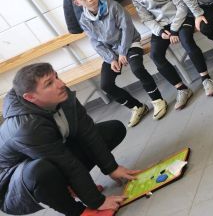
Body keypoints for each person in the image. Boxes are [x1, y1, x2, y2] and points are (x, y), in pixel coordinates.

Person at [0, 63, 139, 216]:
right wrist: (98, 201)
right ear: (30, 97)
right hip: (13, 187)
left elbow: (88, 133)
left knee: (112, 130)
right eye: (49, 83)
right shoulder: (26, 127)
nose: (61, 84)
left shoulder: (61, 94)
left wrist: (112, 168)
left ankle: (71, 187)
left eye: (56, 76)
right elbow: (67, 164)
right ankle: (77, 212)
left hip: (50, 158)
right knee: (41, 171)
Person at [124, 0, 213, 102]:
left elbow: (182, 6)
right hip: (161, 27)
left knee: (186, 40)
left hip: (181, 19)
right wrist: (160, 31)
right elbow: (146, 18)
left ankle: (206, 79)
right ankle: (182, 89)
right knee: (155, 55)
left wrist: (174, 29)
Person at [70, 0, 163, 128]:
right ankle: (137, 107)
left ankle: (158, 100)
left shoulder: (113, 6)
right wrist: (111, 59)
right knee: (106, 84)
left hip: (130, 44)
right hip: (111, 53)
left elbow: (127, 28)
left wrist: (122, 52)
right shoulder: (84, 20)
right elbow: (95, 42)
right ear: (77, 3)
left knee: (137, 69)